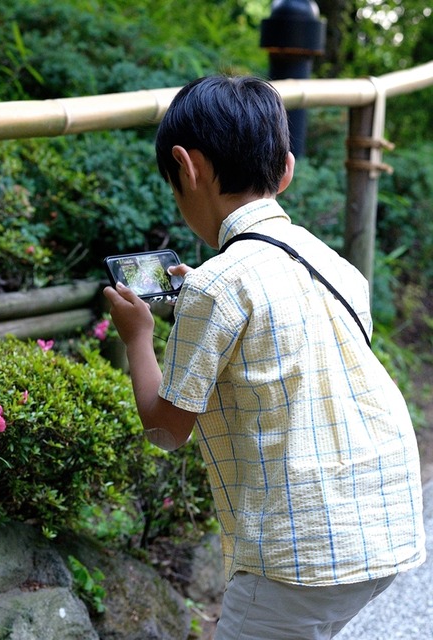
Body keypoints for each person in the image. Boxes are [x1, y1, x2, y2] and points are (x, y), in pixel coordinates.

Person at [103, 75, 426, 640]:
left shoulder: (218, 287)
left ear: (187, 167)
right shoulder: (335, 266)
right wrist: (206, 294)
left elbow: (164, 429)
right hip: (386, 524)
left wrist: (137, 335)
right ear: (287, 171)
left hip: (301, 551)